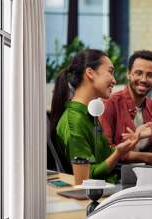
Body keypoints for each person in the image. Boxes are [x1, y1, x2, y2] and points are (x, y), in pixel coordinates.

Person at [50, 49, 143, 183]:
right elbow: (86, 179)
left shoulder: (87, 114)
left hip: (112, 186)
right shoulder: (75, 121)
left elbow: (104, 155)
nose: (114, 80)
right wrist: (118, 153)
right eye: (110, 72)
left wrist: (123, 149)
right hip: (104, 194)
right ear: (90, 73)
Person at [99, 50, 152, 165]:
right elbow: (106, 151)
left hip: (146, 168)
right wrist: (148, 157)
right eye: (138, 73)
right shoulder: (109, 103)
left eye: (150, 75)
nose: (144, 79)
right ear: (128, 74)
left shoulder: (151, 106)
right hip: (119, 170)